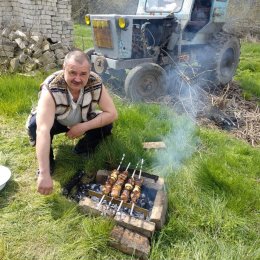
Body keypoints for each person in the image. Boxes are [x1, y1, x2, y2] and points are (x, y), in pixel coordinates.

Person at [26, 50, 118, 195]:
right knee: (35, 125)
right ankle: (47, 165)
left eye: (83, 74)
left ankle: (82, 149)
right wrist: (44, 174)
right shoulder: (51, 87)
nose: (77, 79)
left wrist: (83, 127)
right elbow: (43, 130)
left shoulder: (96, 83)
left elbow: (112, 113)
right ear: (64, 69)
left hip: (82, 117)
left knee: (106, 124)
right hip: (56, 119)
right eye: (72, 72)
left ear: (89, 72)